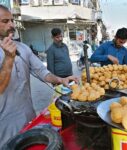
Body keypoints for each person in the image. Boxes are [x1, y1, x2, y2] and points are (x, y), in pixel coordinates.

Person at [0, 5, 78, 148]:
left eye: (11, 20)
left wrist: (61, 80)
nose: (11, 25)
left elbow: (42, 72)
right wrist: (9, 59)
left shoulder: (22, 48)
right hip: (4, 125)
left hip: (28, 116)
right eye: (5, 21)